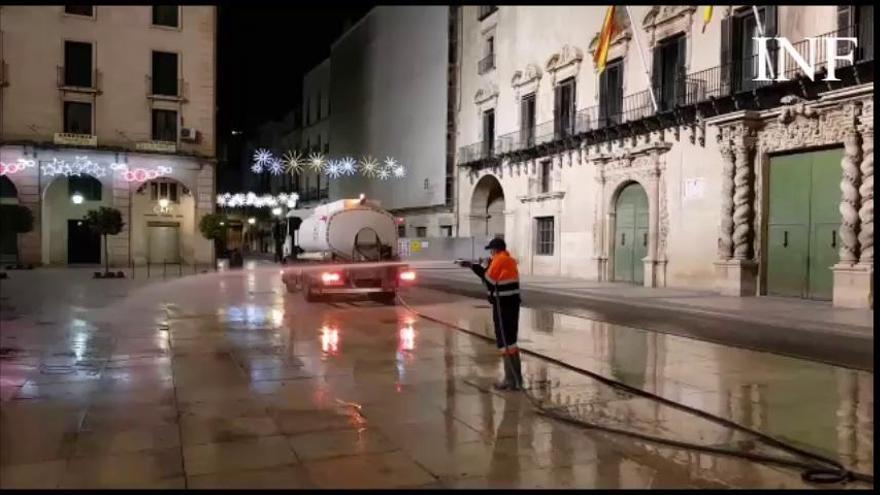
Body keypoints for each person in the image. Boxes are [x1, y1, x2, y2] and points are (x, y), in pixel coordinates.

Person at [464, 237, 523, 391]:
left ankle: (510, 380)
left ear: (495, 250)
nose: (490, 253)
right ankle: (517, 380)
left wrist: (477, 267)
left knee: (504, 342)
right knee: (511, 342)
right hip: (512, 305)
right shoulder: (509, 260)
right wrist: (478, 266)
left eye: (491, 250)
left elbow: (488, 279)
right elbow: (494, 278)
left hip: (502, 306)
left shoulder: (498, 260)